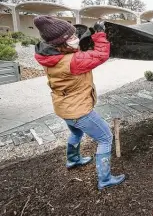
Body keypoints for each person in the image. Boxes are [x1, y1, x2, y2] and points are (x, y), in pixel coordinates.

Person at [33, 15, 125, 190]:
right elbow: (101, 55)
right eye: (73, 37)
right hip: (79, 111)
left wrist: (78, 41)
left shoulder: (48, 55)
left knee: (76, 134)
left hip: (63, 108)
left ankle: (73, 160)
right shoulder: (73, 61)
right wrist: (99, 35)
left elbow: (73, 53)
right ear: (62, 43)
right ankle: (105, 179)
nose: (76, 39)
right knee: (105, 137)